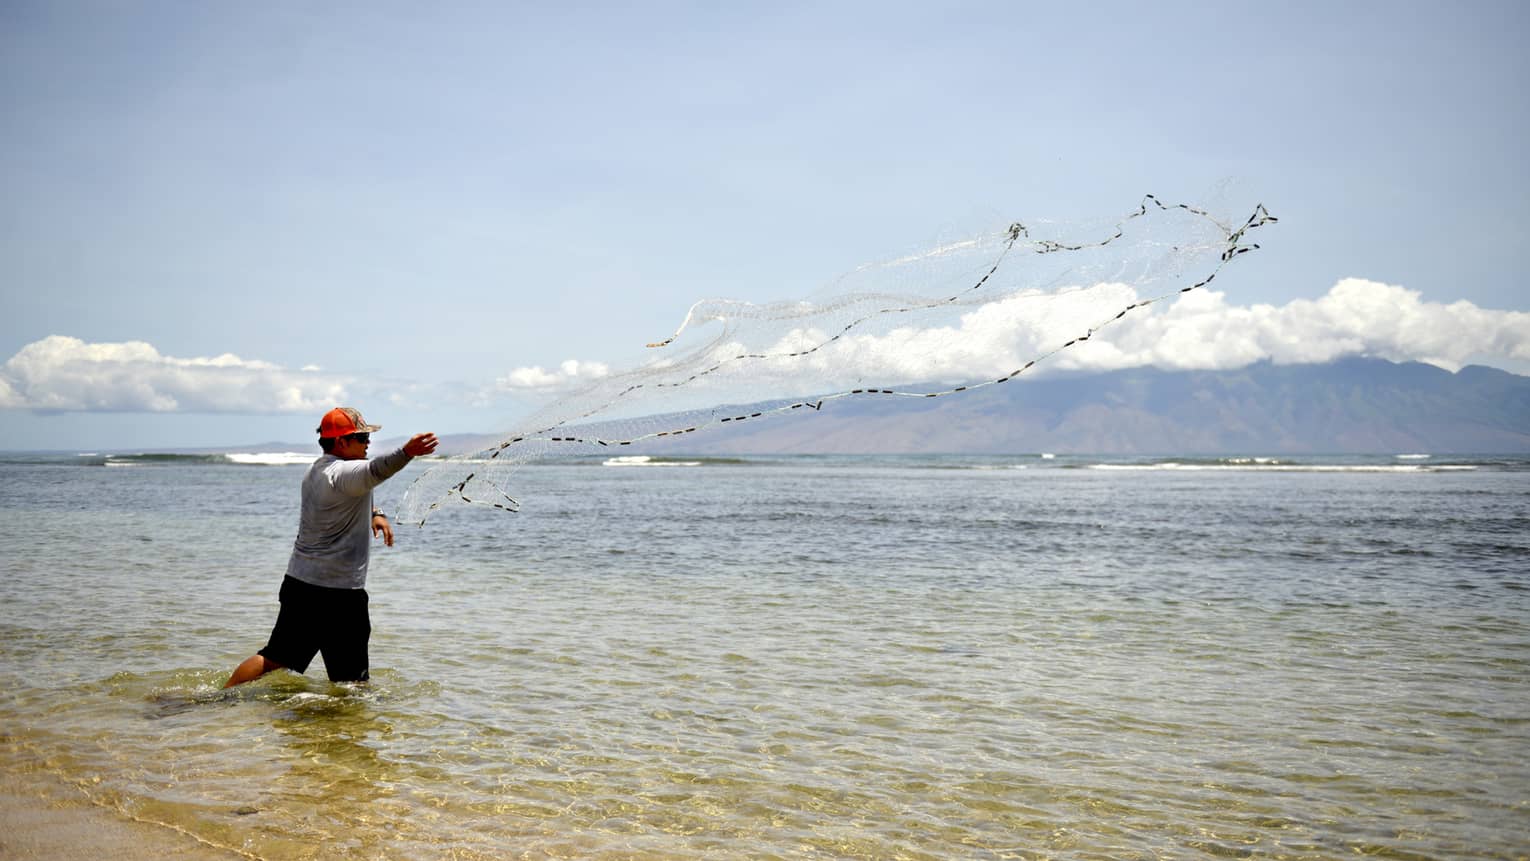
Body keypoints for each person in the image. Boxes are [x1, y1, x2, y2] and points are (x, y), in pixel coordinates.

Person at [224, 407, 439, 687]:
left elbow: (353, 491)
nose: (368, 442)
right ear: (341, 442)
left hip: (300, 584)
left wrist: (375, 513)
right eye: (361, 437)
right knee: (353, 681)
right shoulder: (344, 472)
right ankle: (348, 728)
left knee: (276, 658)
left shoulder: (318, 469)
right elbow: (375, 471)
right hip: (338, 595)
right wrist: (407, 452)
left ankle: (216, 700)